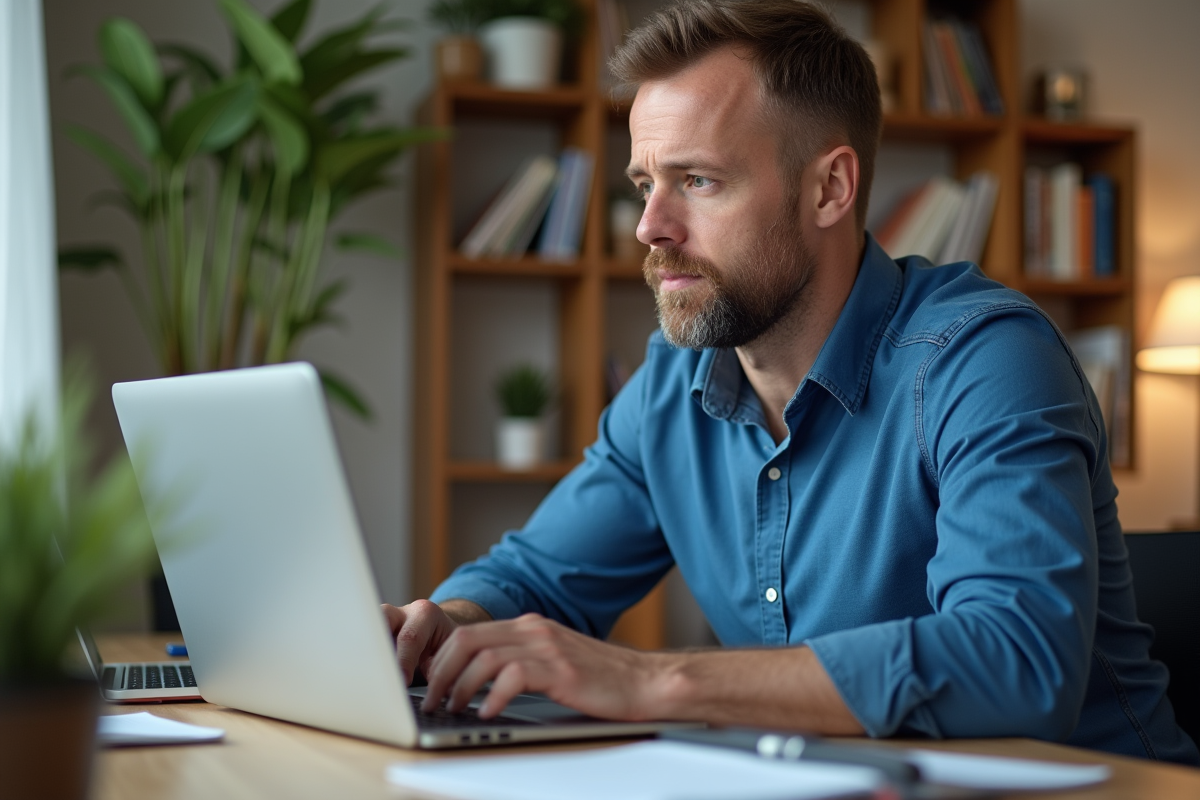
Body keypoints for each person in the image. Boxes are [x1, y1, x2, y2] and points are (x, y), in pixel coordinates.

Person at [384, 0, 1199, 764]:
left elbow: (1016, 662)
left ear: (829, 188)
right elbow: (534, 580)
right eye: (645, 183)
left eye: (698, 181)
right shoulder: (673, 386)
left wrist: (652, 682)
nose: (649, 226)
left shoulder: (984, 358)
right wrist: (442, 630)